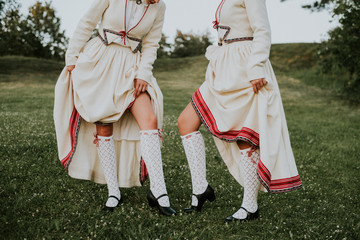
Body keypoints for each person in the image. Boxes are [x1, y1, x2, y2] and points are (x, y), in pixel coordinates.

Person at [177, 0, 302, 222]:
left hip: (245, 67)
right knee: (186, 122)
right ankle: (201, 188)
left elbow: (262, 30)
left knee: (245, 138)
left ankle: (249, 206)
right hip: (223, 67)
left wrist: (255, 66)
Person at [54, 0, 176, 216]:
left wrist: (144, 73)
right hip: (100, 61)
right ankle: (113, 192)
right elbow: (87, 22)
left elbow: (151, 44)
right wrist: (71, 57)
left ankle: (159, 192)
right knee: (103, 126)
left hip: (132, 66)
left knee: (150, 121)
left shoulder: (160, 7)